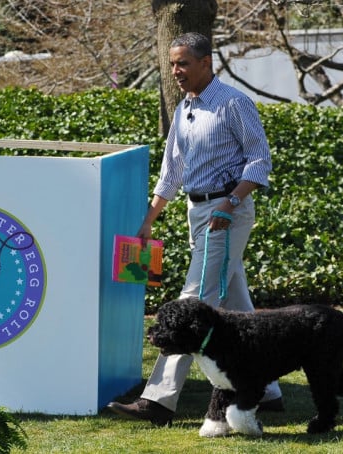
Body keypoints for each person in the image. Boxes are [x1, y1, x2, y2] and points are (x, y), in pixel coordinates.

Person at [107, 32, 283, 426]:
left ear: (207, 62)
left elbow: (259, 162)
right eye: (172, 64)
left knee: (192, 303)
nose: (176, 71)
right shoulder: (184, 107)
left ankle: (158, 400)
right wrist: (148, 223)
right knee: (235, 299)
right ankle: (268, 390)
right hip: (197, 211)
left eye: (183, 63)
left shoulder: (235, 104)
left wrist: (230, 203)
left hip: (226, 214)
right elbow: (172, 171)